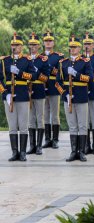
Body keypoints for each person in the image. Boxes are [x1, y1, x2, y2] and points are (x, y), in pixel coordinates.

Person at [55, 35, 93, 162]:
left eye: (75, 47)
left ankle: (81, 152)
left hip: (81, 96)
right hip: (68, 98)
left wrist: (76, 74)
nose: (72, 49)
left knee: (82, 125)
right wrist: (64, 94)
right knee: (72, 125)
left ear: (79, 48)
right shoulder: (63, 63)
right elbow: (57, 82)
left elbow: (90, 78)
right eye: (71, 47)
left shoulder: (85, 62)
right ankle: (73, 151)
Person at [1, 33, 36, 161]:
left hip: (22, 95)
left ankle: (22, 153)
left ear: (21, 47)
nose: (14, 47)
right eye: (13, 45)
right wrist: (5, 93)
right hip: (9, 96)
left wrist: (20, 73)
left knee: (23, 125)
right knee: (12, 125)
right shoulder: (4, 61)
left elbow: (33, 76)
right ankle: (14, 152)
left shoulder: (26, 60)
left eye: (17, 45)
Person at [26, 32, 50, 155]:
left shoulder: (43, 60)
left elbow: (46, 78)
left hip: (39, 90)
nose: (33, 47)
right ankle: (32, 146)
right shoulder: (25, 59)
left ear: (39, 46)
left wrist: (37, 73)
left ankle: (39, 146)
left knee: (40, 118)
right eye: (31, 45)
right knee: (30, 119)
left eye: (35, 45)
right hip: (28, 91)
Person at [41, 30, 64, 149]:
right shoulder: (40, 56)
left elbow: (60, 71)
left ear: (53, 43)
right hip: (43, 87)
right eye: (46, 41)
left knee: (55, 115)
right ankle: (47, 139)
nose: (48, 43)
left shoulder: (59, 56)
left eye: (50, 41)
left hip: (54, 87)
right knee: (45, 115)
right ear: (43, 43)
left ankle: (55, 140)